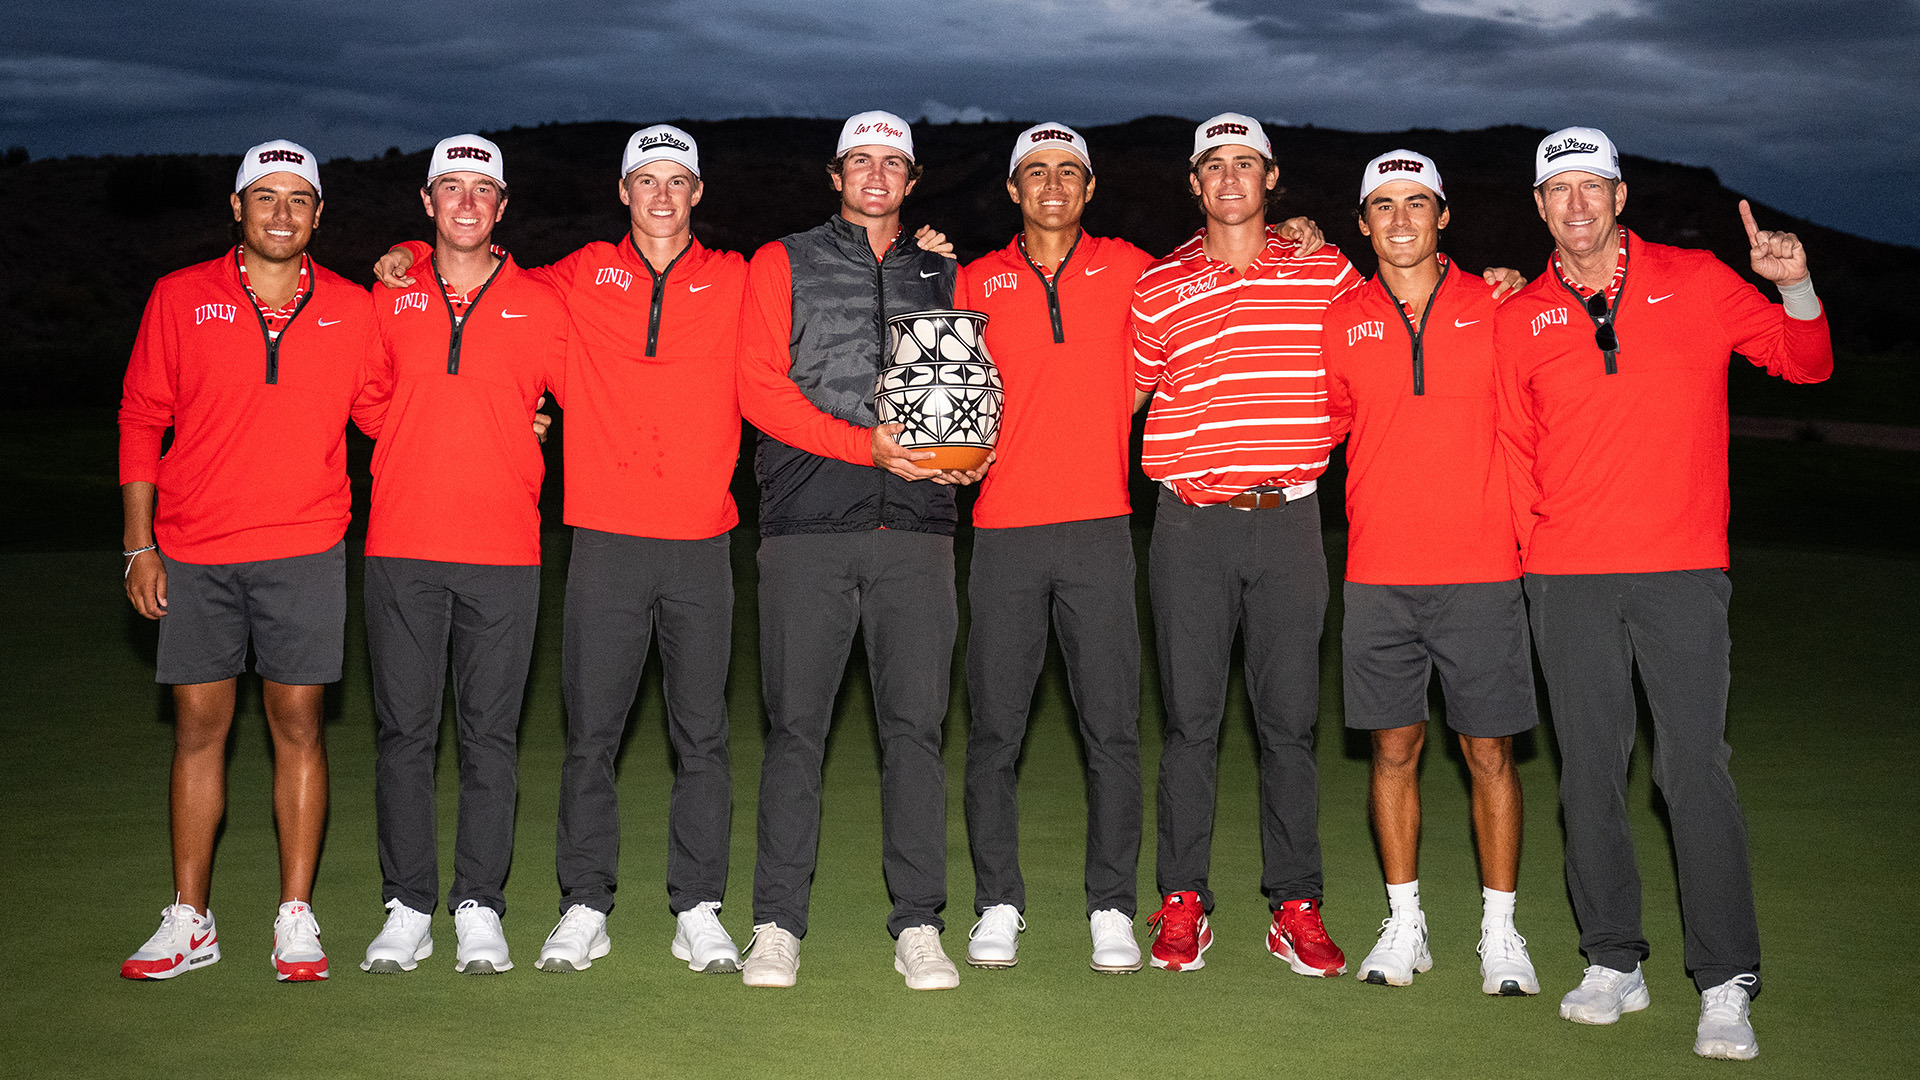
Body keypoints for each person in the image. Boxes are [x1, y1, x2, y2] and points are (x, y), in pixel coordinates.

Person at [1493, 127, 1832, 1060]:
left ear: (1620, 196)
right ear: (1539, 207)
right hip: (1567, 578)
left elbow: (1806, 364)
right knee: (1590, 773)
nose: (1578, 204)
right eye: (1558, 190)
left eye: (1593, 186)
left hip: (1681, 570)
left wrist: (1793, 284)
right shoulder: (1518, 317)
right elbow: (1517, 452)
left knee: (1692, 770)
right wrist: (1536, 558)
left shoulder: (1701, 280)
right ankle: (1613, 959)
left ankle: (1725, 979)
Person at [118, 139, 381, 981]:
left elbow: (391, 414)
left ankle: (293, 919)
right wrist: (139, 544)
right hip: (195, 550)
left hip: (305, 548)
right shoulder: (178, 295)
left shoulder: (353, 306)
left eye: (297, 199)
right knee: (200, 731)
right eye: (264, 197)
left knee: (298, 727)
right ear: (236, 207)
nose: (280, 213)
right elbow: (139, 420)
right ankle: (190, 920)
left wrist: (509, 421)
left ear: (318, 215)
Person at [734, 110, 981, 991]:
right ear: (835, 176)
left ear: (912, 181)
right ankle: (775, 925)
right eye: (859, 162)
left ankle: (918, 923)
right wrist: (863, 446)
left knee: (914, 732)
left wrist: (966, 458)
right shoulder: (783, 260)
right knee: (796, 732)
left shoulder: (940, 268)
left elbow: (967, 389)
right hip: (807, 527)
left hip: (917, 532)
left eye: (892, 164)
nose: (875, 176)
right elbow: (760, 389)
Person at [1130, 112, 1356, 976]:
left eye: (1246, 164)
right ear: (1195, 183)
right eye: (1213, 165)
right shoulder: (1159, 285)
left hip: (1293, 522)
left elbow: (1379, 344)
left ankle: (1295, 904)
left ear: (1272, 179)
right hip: (1189, 523)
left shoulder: (1324, 270)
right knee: (1191, 723)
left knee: (1289, 725)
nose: (1230, 179)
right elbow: (1123, 400)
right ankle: (1183, 900)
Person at [1321, 149, 1538, 995]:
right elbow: (1329, 426)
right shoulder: (1342, 319)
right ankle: (1405, 923)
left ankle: (1500, 932)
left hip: (1483, 571)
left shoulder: (1501, 304)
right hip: (1378, 573)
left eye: (1418, 204)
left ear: (1443, 216)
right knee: (1392, 750)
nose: (1401, 220)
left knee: (1489, 753)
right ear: (1362, 221)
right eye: (1384, 205)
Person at [357, 135, 567, 976]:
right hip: (401, 546)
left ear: (504, 205)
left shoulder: (542, 300)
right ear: (427, 202)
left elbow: (590, 388)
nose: (468, 203)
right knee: (404, 735)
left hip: (504, 549)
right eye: (453, 188)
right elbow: (368, 399)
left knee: (490, 737)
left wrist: (518, 427)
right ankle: (407, 905)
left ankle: (480, 904)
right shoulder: (387, 294)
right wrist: (435, 428)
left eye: (485, 189)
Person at [955, 122, 1156, 973]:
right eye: (1034, 173)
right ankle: (998, 900)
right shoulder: (970, 279)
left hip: (1101, 527)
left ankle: (1112, 906)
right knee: (995, 731)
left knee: (1111, 729)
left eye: (1067, 173)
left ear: (1088, 188)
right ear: (1012, 190)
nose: (1051, 186)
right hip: (1002, 529)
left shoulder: (1136, 269)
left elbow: (1227, 267)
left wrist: (1304, 238)